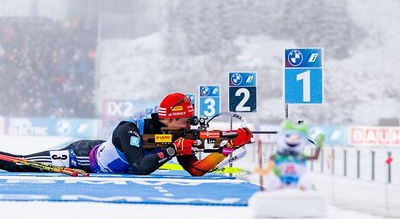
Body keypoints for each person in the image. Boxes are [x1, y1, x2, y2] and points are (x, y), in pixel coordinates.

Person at [0, 92, 253, 176]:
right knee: (20, 163)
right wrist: (174, 149)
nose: (189, 124)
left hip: (101, 159)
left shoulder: (179, 135)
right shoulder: (129, 129)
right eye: (186, 119)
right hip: (80, 157)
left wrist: (226, 148)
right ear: (172, 117)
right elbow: (141, 166)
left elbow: (197, 169)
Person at [262, 119, 324, 190]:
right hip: (281, 183)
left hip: (296, 183)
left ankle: (302, 189)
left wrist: (319, 145)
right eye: (288, 136)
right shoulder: (279, 156)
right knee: (272, 178)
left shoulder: (299, 157)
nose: (293, 140)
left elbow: (315, 157)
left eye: (298, 137)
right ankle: (278, 188)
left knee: (305, 179)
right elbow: (270, 162)